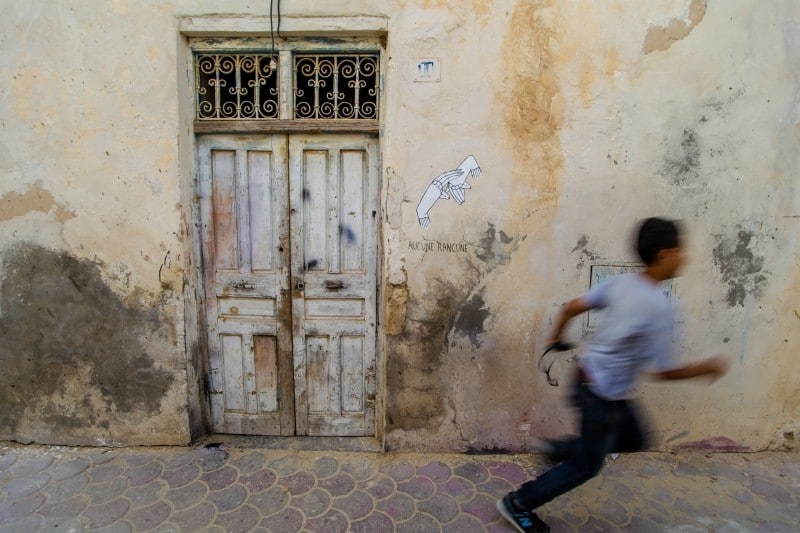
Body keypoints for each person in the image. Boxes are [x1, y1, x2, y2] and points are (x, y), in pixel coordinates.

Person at [496, 217, 731, 533]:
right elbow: (661, 372)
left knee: (635, 438)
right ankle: (518, 504)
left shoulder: (621, 284)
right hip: (602, 400)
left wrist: (555, 338)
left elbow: (570, 307)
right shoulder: (659, 307)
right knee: (586, 467)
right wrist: (705, 368)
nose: (684, 257)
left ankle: (564, 449)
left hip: (587, 384)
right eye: (680, 250)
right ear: (664, 255)